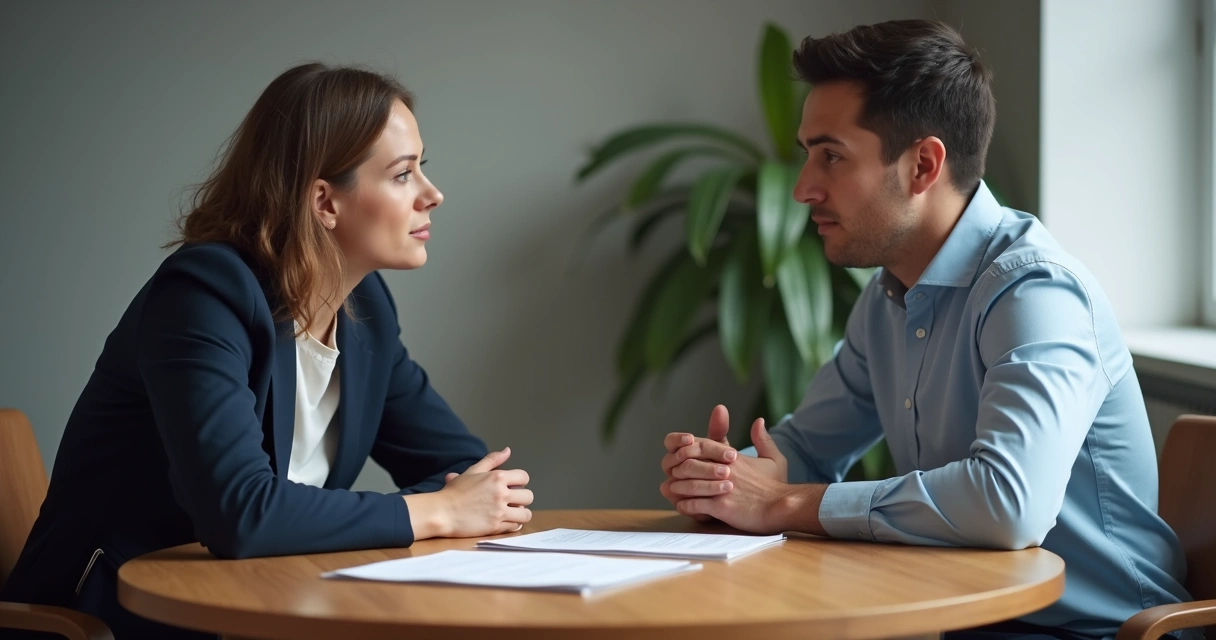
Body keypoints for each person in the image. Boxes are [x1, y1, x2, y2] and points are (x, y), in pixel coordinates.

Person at [659, 20, 1191, 640]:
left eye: (831, 156)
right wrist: (725, 476)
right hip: (976, 625)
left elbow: (1008, 503)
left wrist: (782, 504)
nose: (803, 188)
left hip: (1101, 633)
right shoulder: (888, 296)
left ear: (923, 165)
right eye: (808, 155)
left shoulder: (1035, 292)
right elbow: (805, 451)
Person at [1, 63, 533, 639]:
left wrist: (450, 503)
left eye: (421, 169)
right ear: (325, 202)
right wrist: (435, 511)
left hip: (273, 606)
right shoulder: (204, 294)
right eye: (403, 175)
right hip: (117, 619)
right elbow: (239, 514)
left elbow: (471, 475)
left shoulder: (366, 311)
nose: (433, 194)